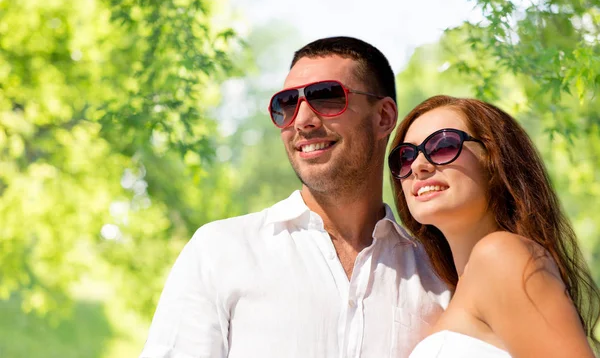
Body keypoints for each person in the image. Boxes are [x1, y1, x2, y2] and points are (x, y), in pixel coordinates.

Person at [138, 36, 451, 358]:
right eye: (286, 104)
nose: (302, 121)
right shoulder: (219, 250)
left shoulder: (438, 273)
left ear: (383, 117)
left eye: (326, 98)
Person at [387, 95, 600, 357]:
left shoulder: (502, 255)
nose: (418, 166)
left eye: (443, 146)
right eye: (405, 157)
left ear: (495, 161)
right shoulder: (453, 293)